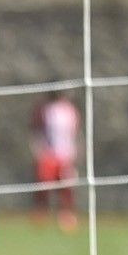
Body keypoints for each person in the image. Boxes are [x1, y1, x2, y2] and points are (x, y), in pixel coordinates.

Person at [31, 88, 81, 231]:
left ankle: (66, 217)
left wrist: (77, 152)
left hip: (66, 155)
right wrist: (37, 150)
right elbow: (36, 130)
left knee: (67, 187)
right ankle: (41, 214)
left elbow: (76, 133)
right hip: (48, 154)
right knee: (44, 185)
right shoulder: (44, 110)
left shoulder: (70, 110)